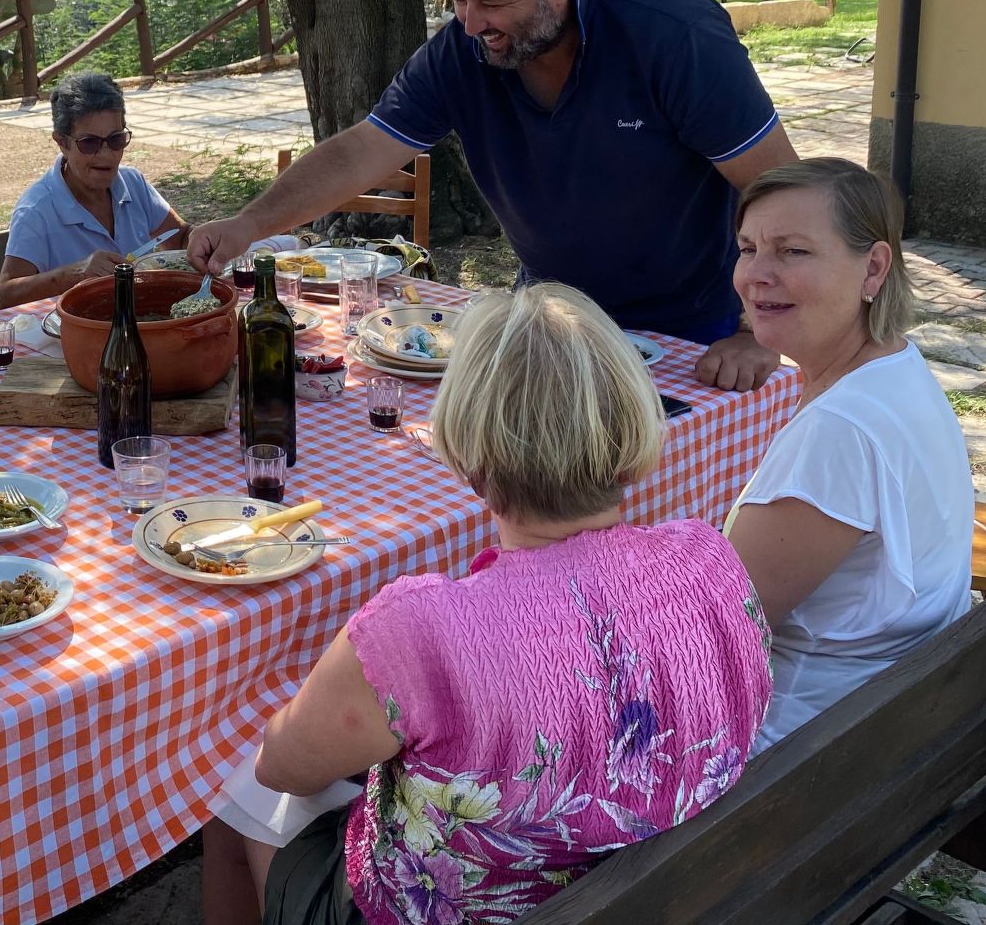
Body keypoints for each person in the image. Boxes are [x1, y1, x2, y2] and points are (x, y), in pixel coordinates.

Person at [202, 283, 772, 925]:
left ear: (467, 457)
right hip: (677, 887)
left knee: (231, 787)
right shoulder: (709, 557)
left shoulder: (418, 630)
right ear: (633, 428)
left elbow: (283, 769)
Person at [187, 0, 800, 391]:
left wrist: (756, 333)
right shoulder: (461, 50)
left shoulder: (673, 35)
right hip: (550, 318)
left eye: (492, 3)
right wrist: (248, 226)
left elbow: (780, 192)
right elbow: (361, 151)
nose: (471, 23)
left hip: (693, 328)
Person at [723, 158, 973, 749]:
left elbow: (715, 631)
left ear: (874, 267)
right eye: (747, 247)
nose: (755, 274)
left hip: (798, 748)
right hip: (883, 709)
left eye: (793, 252)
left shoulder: (840, 431)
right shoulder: (894, 366)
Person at [0, 73, 189, 306]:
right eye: (90, 143)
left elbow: (180, 238)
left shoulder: (133, 183)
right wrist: (76, 273)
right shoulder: (37, 210)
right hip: (78, 330)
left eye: (116, 139)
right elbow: (7, 295)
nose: (106, 155)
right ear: (62, 143)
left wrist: (204, 239)